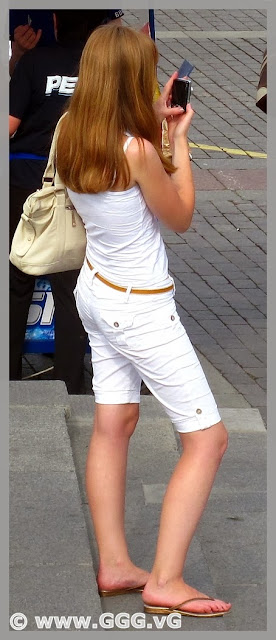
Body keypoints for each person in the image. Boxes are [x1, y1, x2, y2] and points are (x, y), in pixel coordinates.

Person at [56, 24, 232, 618]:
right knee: (207, 438)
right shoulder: (135, 148)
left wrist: (154, 124)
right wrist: (176, 140)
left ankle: (114, 564)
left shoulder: (70, 132)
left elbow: (125, 171)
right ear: (132, 76)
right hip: (142, 307)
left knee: (115, 422)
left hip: (96, 294)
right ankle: (166, 578)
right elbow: (179, 215)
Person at [9, 10, 123, 394]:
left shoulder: (36, 62)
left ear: (55, 21)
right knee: (72, 284)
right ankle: (71, 380)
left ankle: (9, 375)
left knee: (17, 279)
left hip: (27, 183)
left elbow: (9, 125)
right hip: (82, 182)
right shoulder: (105, 69)